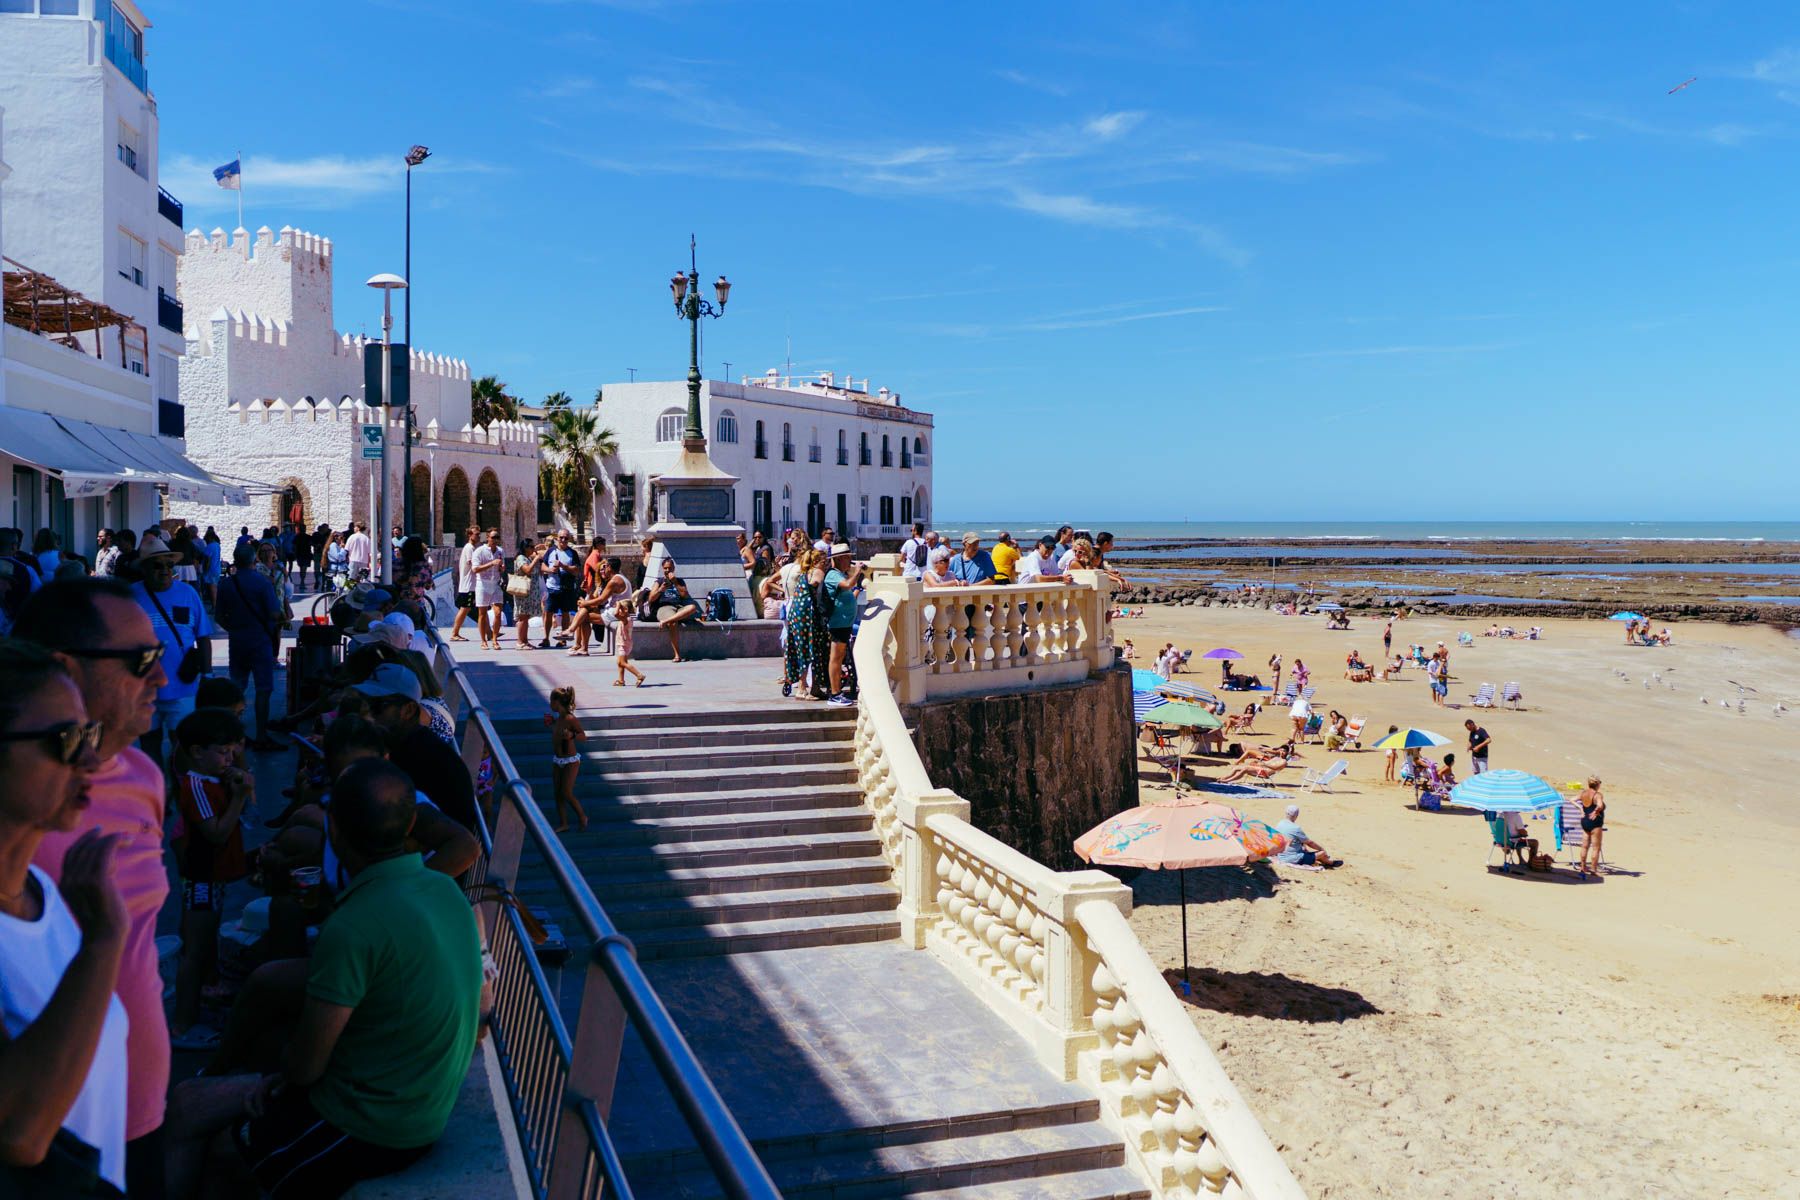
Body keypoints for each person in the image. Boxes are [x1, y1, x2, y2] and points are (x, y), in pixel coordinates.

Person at [168, 759, 484, 1199]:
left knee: (221, 1148)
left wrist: (280, 1079)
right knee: (188, 1102)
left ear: (334, 832)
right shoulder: (443, 890)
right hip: (410, 1096)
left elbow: (304, 1067)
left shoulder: (354, 925)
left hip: (372, 1125)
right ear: (411, 822)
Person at [14, 580, 173, 1192]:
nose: (162, 679)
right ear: (65, 668)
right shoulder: (18, 804)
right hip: (46, 1134)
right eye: (142, 662)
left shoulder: (143, 775)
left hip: (138, 1110)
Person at [0, 642, 128, 1196]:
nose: (91, 760)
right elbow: (20, 1131)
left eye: (90, 735)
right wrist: (103, 942)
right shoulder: (86, 915)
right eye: (66, 741)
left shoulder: (45, 892)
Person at [168, 708, 252, 1052]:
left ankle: (201, 1002)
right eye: (222, 751)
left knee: (202, 945)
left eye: (232, 751)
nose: (229, 758)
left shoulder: (214, 779)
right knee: (195, 950)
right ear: (196, 751)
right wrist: (240, 797)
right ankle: (182, 1025)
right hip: (202, 878)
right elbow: (216, 833)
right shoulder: (196, 786)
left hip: (212, 877)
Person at [356, 664, 478, 832]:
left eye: (377, 706)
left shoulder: (421, 759)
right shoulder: (403, 745)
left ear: (408, 710)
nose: (367, 714)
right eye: (364, 703)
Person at [130, 532, 213, 768]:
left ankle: (181, 794)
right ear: (145, 568)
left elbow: (203, 637)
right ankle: (159, 797)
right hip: (145, 690)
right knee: (149, 746)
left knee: (183, 749)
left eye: (169, 564)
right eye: (157, 565)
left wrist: (207, 674)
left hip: (183, 686)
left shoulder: (188, 594)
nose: (165, 570)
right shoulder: (130, 595)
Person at [215, 544, 288, 750]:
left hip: (238, 640)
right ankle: (261, 735)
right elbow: (274, 613)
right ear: (254, 560)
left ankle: (234, 734)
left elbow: (220, 616)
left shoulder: (226, 584)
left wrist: (235, 628)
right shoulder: (262, 583)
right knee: (263, 689)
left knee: (237, 685)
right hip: (260, 640)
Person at [822, 544, 864, 706]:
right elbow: (847, 586)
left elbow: (848, 595)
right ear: (839, 559)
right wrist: (858, 572)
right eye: (847, 558)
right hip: (837, 624)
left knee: (839, 657)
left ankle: (836, 692)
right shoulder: (833, 575)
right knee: (836, 658)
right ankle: (834, 693)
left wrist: (859, 587)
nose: (850, 561)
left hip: (844, 623)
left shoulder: (841, 575)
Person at [782, 548, 824, 699]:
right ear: (817, 560)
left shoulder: (803, 574)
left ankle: (807, 687)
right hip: (808, 614)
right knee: (811, 648)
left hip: (796, 613)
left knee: (800, 648)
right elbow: (815, 583)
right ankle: (803, 687)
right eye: (823, 559)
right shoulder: (817, 571)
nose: (825, 562)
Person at [545, 685, 588, 832]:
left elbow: (583, 736)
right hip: (558, 759)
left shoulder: (570, 718)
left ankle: (582, 816)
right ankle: (564, 823)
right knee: (557, 793)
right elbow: (558, 735)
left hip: (570, 761)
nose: (550, 704)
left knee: (566, 792)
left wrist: (573, 736)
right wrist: (551, 724)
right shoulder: (559, 719)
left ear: (557, 702)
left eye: (551, 701)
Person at [647, 557, 702, 662]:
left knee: (693, 607)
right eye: (665, 568)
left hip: (678, 607)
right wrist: (660, 590)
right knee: (673, 623)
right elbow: (650, 599)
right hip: (664, 607)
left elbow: (685, 595)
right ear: (663, 569)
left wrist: (675, 583)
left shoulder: (679, 581)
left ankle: (666, 621)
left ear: (673, 568)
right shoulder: (659, 581)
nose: (667, 570)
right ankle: (677, 654)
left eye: (669, 568)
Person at [540, 531, 581, 645]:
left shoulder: (572, 553)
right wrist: (550, 570)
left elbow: (577, 570)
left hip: (566, 587)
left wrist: (563, 566)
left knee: (565, 613)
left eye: (566, 538)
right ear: (557, 538)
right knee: (548, 613)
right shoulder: (551, 551)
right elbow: (543, 565)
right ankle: (546, 638)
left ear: (569, 539)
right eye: (561, 538)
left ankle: (563, 638)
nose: (563, 540)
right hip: (552, 587)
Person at [472, 528, 507, 651]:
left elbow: (502, 567)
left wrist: (502, 568)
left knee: (498, 613)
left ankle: (495, 639)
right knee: (482, 614)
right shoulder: (479, 551)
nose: (495, 540)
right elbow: (475, 569)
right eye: (493, 537)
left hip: (496, 584)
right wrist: (491, 563)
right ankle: (483, 641)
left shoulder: (501, 551)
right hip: (483, 584)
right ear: (487, 538)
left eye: (497, 537)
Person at [1274, 804, 1340, 868]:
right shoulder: (1295, 828)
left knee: (1304, 847)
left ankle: (1326, 861)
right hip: (1292, 858)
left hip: (1280, 854)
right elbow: (1310, 843)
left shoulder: (1280, 823)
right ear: (1296, 815)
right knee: (1321, 853)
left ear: (1286, 813)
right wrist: (1322, 849)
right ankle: (1330, 863)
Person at [513, 537, 548, 650]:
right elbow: (527, 570)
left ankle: (525, 641)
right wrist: (535, 559)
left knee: (526, 616)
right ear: (525, 548)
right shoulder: (521, 558)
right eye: (531, 547)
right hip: (523, 592)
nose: (533, 549)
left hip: (530, 592)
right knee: (522, 617)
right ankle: (520, 642)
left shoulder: (528, 558)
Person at [449, 526, 480, 642]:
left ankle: (489, 632)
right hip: (469, 585)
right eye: (476, 534)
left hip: (470, 585)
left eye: (478, 534)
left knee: (479, 609)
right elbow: (473, 564)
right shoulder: (469, 548)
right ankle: (454, 633)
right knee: (464, 609)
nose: (478, 536)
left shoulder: (471, 548)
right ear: (470, 535)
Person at [1576, 775, 1606, 878]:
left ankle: (1583, 867)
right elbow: (1600, 805)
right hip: (1595, 823)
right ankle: (1593, 869)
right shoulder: (1598, 795)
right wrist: (1596, 810)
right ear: (1597, 784)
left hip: (1585, 822)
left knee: (1584, 846)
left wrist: (1580, 809)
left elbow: (1571, 800)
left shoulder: (1583, 793)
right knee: (1596, 848)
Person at [613, 598, 646, 689]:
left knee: (622, 662)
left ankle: (639, 675)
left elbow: (615, 614)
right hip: (624, 643)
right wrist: (619, 605)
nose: (618, 610)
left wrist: (618, 603)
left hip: (623, 644)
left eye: (620, 608)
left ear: (626, 610)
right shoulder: (627, 618)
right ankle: (621, 680)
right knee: (620, 662)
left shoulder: (626, 619)